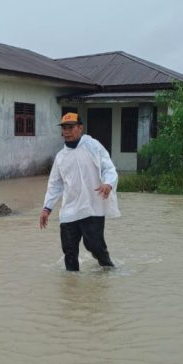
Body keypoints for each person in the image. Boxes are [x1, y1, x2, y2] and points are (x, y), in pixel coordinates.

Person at [39, 112, 119, 271]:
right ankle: (71, 288)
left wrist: (108, 184)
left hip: (92, 208)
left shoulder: (93, 146)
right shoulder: (61, 157)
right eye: (64, 128)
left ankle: (109, 271)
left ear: (80, 128)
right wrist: (46, 208)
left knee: (95, 247)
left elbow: (108, 167)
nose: (66, 131)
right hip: (69, 211)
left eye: (70, 127)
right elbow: (55, 184)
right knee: (69, 252)